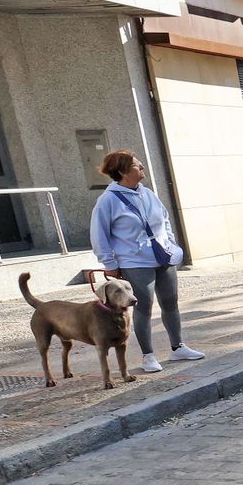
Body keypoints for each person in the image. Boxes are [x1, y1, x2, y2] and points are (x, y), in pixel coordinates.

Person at [89, 150, 203, 375]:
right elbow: (98, 235)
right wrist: (109, 263)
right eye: (136, 165)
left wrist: (170, 243)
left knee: (171, 301)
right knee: (143, 306)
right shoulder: (108, 200)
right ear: (122, 171)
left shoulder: (148, 193)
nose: (142, 168)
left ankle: (177, 347)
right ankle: (148, 355)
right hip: (135, 261)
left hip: (163, 256)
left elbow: (165, 219)